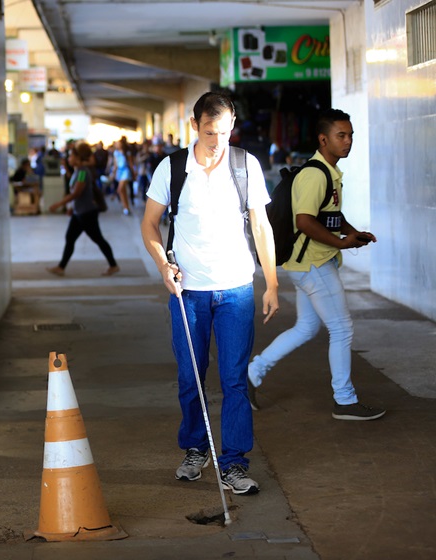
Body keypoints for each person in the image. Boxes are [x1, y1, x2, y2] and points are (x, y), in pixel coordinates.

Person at [141, 91, 279, 495]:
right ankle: (195, 448)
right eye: (209, 131)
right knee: (191, 378)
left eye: (224, 130)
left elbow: (261, 227)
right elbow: (150, 224)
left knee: (234, 379)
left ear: (233, 124)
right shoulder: (172, 168)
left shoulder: (245, 165)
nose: (217, 140)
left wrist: (271, 283)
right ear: (194, 125)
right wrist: (162, 265)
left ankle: (234, 462)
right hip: (190, 293)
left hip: (236, 289)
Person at [247, 109, 385, 421]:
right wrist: (340, 243)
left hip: (310, 263)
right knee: (342, 328)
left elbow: (327, 214)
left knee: (307, 327)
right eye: (341, 135)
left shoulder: (329, 173)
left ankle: (253, 373)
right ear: (324, 139)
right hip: (313, 264)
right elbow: (304, 221)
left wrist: (352, 232)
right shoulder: (314, 174)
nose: (348, 141)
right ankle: (345, 401)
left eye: (350, 135)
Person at [47, 141, 119, 277]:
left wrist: (59, 204)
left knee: (97, 238)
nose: (69, 159)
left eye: (71, 156)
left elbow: (76, 193)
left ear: (78, 158)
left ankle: (113, 265)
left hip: (86, 213)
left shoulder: (82, 172)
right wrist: (71, 207)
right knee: (70, 238)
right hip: (79, 212)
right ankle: (61, 267)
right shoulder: (78, 171)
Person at [109, 137, 134, 215]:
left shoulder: (127, 152)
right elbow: (115, 164)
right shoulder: (116, 153)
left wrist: (134, 172)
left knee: (120, 189)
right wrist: (113, 173)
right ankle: (126, 207)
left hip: (126, 171)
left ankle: (125, 206)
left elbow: (130, 163)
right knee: (123, 191)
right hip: (119, 171)